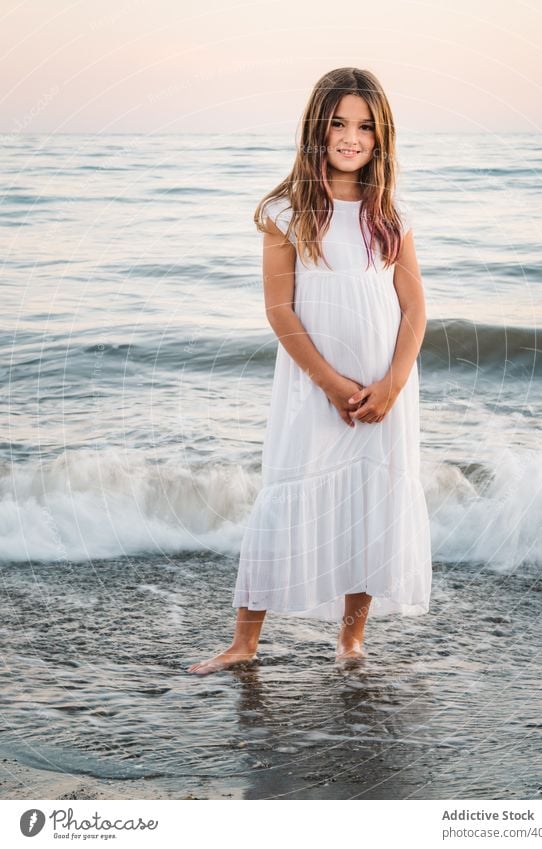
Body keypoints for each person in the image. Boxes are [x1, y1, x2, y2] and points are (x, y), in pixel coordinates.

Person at [188, 66, 432, 676]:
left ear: (382, 139)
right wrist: (328, 382)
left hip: (383, 387)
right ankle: (245, 641)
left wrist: (394, 383)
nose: (352, 137)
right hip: (312, 386)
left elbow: (415, 307)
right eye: (339, 124)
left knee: (371, 498)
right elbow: (279, 309)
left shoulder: (389, 215)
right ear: (315, 130)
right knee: (285, 492)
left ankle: (351, 639)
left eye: (366, 127)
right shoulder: (287, 211)